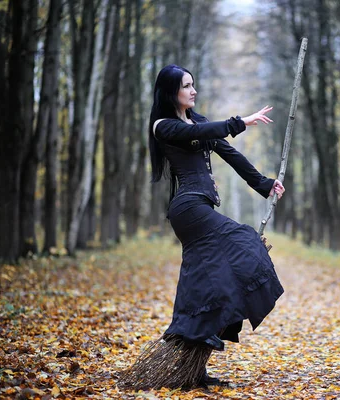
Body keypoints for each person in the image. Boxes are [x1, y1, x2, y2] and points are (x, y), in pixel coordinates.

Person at [134, 64, 285, 388]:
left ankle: (193, 369)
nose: (193, 90)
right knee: (244, 243)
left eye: (193, 84)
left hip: (199, 206)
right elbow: (195, 135)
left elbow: (230, 154)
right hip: (189, 209)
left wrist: (264, 184)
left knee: (211, 286)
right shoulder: (164, 126)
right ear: (170, 91)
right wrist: (238, 122)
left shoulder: (199, 122)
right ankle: (204, 337)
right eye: (186, 86)